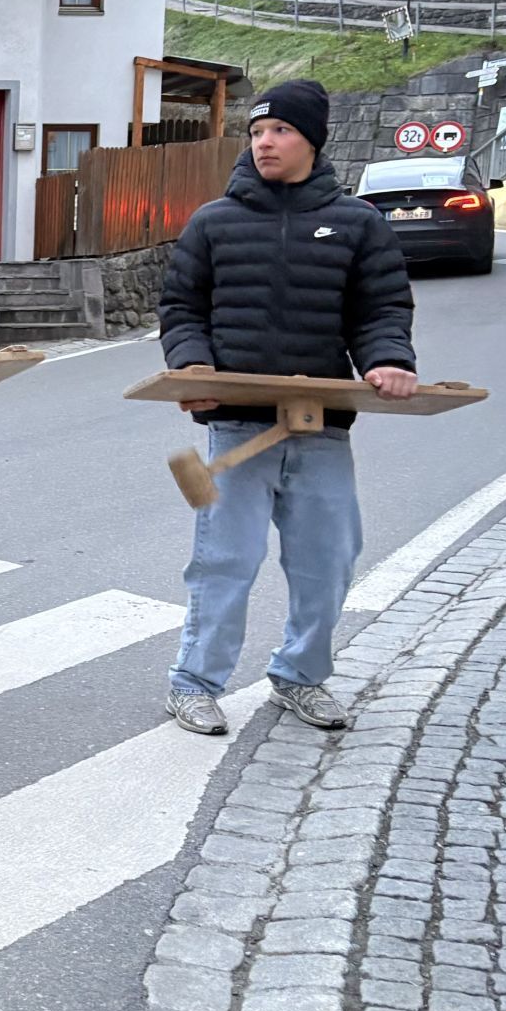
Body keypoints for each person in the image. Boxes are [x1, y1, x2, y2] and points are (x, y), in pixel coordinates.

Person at [158, 79, 418, 736]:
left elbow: (380, 310)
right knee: (225, 559)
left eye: (280, 131)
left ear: (311, 140)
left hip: (320, 424)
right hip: (238, 420)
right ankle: (194, 682)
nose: (264, 142)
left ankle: (300, 675)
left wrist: (389, 361)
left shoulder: (358, 224)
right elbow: (182, 308)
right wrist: (192, 367)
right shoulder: (214, 221)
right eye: (256, 132)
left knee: (329, 558)